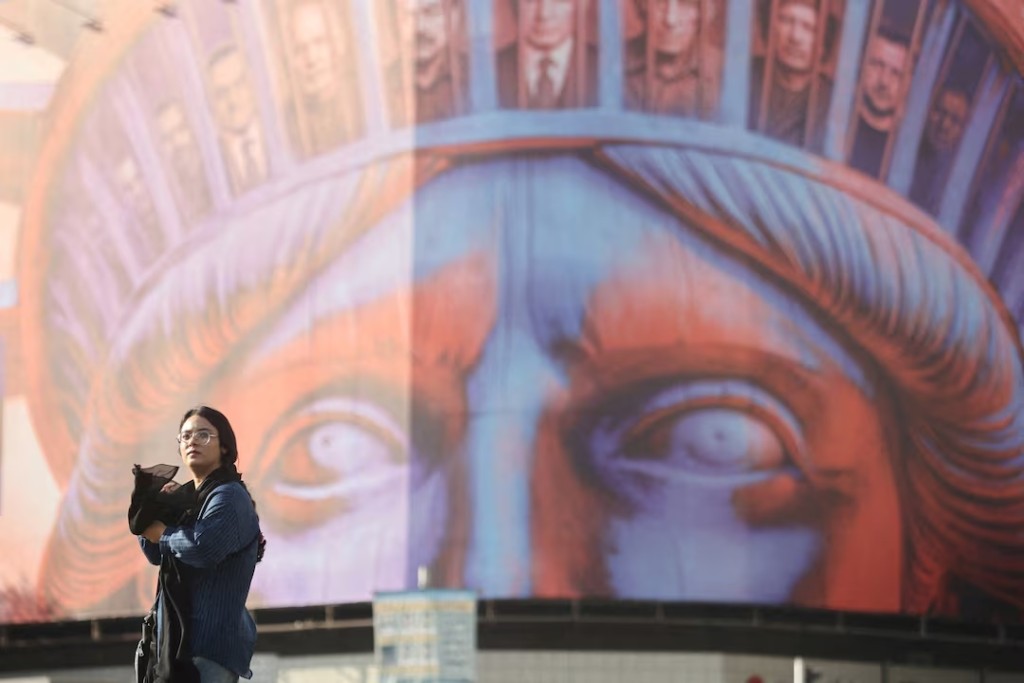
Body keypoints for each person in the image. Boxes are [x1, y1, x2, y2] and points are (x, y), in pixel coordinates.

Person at [137, 406, 264, 682]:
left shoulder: (229, 497)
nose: (193, 441)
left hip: (206, 652)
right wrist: (158, 511)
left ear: (225, 448)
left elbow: (203, 548)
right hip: (176, 649)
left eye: (204, 434)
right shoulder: (188, 500)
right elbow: (155, 553)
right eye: (186, 436)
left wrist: (165, 533)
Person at [282, 0, 363, 155]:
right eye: (299, 49)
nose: (311, 59)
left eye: (320, 42)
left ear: (340, 42)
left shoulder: (368, 99)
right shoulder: (287, 125)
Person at [748, 0, 833, 148]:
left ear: (822, 46)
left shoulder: (833, 103)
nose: (795, 37)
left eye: (809, 28)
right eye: (786, 20)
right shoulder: (743, 75)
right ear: (769, 27)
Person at [624, 0, 722, 118]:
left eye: (686, 4)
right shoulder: (612, 64)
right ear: (642, 6)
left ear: (707, 12)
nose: (671, 19)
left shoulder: (727, 73)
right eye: (659, 2)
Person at [497, 0, 598, 109]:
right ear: (514, 6)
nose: (544, 14)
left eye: (559, 1)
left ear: (581, 6)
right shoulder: (490, 71)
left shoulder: (605, 69)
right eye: (530, 1)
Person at [387, 0, 468, 125]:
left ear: (454, 16)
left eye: (431, 13)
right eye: (408, 16)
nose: (419, 28)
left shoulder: (475, 82)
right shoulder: (381, 91)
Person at [207, 45, 268, 194]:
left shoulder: (287, 132)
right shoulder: (210, 166)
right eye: (222, 94)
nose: (233, 100)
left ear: (253, 83)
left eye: (239, 84)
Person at [848, 29, 910, 177]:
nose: (884, 81)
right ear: (861, 64)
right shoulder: (831, 120)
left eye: (896, 73)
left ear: (909, 82)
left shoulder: (908, 152)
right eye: (876, 65)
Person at [909, 87, 969, 212]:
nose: (944, 125)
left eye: (955, 120)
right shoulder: (905, 153)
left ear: (964, 130)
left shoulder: (961, 184)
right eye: (940, 112)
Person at [155, 101, 213, 221]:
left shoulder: (222, 169)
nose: (176, 142)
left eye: (181, 129)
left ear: (193, 128)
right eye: (166, 138)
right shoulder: (168, 197)